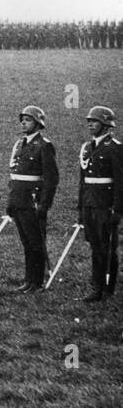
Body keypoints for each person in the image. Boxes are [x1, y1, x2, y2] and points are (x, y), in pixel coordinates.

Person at [7, 105, 58, 292]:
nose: (23, 123)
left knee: (36, 243)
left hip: (33, 203)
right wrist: (10, 202)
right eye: (22, 119)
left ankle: (37, 282)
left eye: (28, 120)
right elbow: (14, 176)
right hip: (18, 201)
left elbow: (51, 179)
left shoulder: (44, 146)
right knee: (27, 243)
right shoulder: (20, 144)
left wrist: (44, 206)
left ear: (38, 123)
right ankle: (28, 280)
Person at [78, 105, 123, 302]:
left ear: (105, 124)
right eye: (88, 121)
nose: (90, 124)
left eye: (94, 121)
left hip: (106, 206)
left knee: (107, 247)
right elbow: (83, 181)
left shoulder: (115, 148)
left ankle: (107, 287)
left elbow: (120, 182)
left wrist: (118, 209)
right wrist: (81, 208)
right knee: (95, 246)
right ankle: (97, 286)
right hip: (89, 204)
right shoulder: (87, 148)